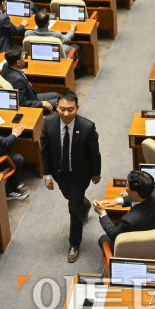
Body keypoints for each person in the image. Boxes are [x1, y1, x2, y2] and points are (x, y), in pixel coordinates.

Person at [39, 90, 101, 263]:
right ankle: (85, 204)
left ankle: (74, 243)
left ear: (77, 108)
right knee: (71, 196)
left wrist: (96, 172)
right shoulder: (48, 123)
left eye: (70, 109)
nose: (66, 113)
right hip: (60, 174)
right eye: (62, 109)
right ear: (57, 107)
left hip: (80, 174)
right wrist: (47, 175)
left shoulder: (88, 127)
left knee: (73, 208)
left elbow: (94, 153)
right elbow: (44, 151)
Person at [95, 170, 155, 250]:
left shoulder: (128, 221)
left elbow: (114, 235)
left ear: (135, 193)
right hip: (153, 236)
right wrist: (117, 201)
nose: (125, 187)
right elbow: (137, 199)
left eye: (127, 185)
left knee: (103, 239)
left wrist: (102, 214)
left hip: (136, 247)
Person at [2, 47, 58, 112]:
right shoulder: (18, 80)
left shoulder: (6, 65)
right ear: (18, 62)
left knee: (57, 95)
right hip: (33, 104)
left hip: (31, 96)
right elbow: (22, 103)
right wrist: (41, 103)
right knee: (59, 102)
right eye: (22, 57)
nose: (24, 58)